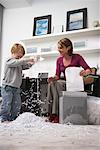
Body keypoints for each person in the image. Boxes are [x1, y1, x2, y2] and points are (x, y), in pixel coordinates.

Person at [46, 38, 91, 123]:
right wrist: (53, 78)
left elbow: (88, 69)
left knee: (58, 84)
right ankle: (51, 113)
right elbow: (57, 75)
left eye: (61, 47)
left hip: (74, 83)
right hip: (64, 83)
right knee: (51, 84)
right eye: (58, 48)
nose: (59, 50)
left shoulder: (77, 57)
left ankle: (57, 114)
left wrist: (85, 72)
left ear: (68, 48)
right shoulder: (59, 60)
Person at [0, 43, 35, 123]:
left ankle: (13, 118)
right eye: (18, 56)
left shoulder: (19, 63)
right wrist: (27, 59)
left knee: (16, 104)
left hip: (16, 87)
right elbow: (17, 62)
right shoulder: (9, 61)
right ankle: (3, 118)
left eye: (21, 57)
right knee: (6, 104)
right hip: (7, 87)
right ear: (12, 53)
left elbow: (24, 66)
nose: (20, 58)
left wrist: (31, 64)